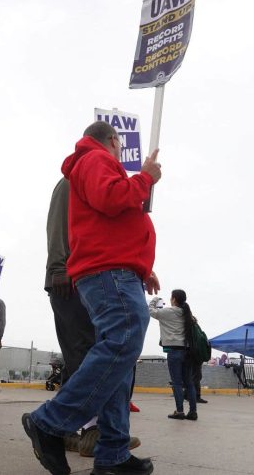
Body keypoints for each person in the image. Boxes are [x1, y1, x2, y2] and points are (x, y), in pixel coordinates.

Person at [22, 120, 161, 475]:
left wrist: (142, 267)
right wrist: (144, 178)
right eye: (119, 145)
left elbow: (112, 219)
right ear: (113, 141)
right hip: (107, 270)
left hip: (115, 268)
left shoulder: (90, 163)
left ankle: (112, 451)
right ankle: (51, 422)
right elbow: (113, 199)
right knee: (125, 337)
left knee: (120, 357)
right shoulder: (94, 159)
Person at [44, 177, 141, 458]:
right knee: (82, 355)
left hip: (91, 276)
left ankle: (82, 430)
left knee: (101, 354)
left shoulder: (97, 189)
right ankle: (80, 429)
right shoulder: (71, 182)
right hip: (69, 279)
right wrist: (59, 266)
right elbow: (57, 226)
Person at [149, 290, 198, 421]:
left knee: (177, 383)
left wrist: (155, 299)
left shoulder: (168, 312)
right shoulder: (187, 314)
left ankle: (180, 411)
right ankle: (193, 412)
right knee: (189, 383)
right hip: (187, 352)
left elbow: (151, 311)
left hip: (174, 352)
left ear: (174, 299)